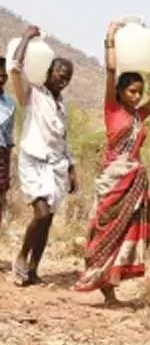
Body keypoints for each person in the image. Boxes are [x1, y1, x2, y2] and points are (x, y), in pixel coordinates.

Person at [73, 20, 150, 304]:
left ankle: (114, 284)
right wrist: (110, 37)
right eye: (132, 92)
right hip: (113, 181)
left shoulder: (140, 115)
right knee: (106, 233)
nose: (137, 96)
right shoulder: (112, 109)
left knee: (130, 232)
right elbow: (111, 70)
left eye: (140, 92)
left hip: (134, 182)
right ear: (119, 93)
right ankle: (105, 288)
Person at [7, 25, 77, 287]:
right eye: (59, 73)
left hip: (56, 165)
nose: (63, 78)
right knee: (41, 213)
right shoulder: (33, 95)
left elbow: (63, 138)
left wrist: (72, 169)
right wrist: (25, 37)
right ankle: (21, 259)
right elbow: (15, 68)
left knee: (48, 220)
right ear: (47, 72)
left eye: (67, 76)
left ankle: (34, 269)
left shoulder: (62, 105)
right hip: (33, 160)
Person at [0, 57, 14, 237]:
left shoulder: (9, 104)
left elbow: (9, 140)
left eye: (4, 75)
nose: (0, 79)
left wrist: (8, 170)